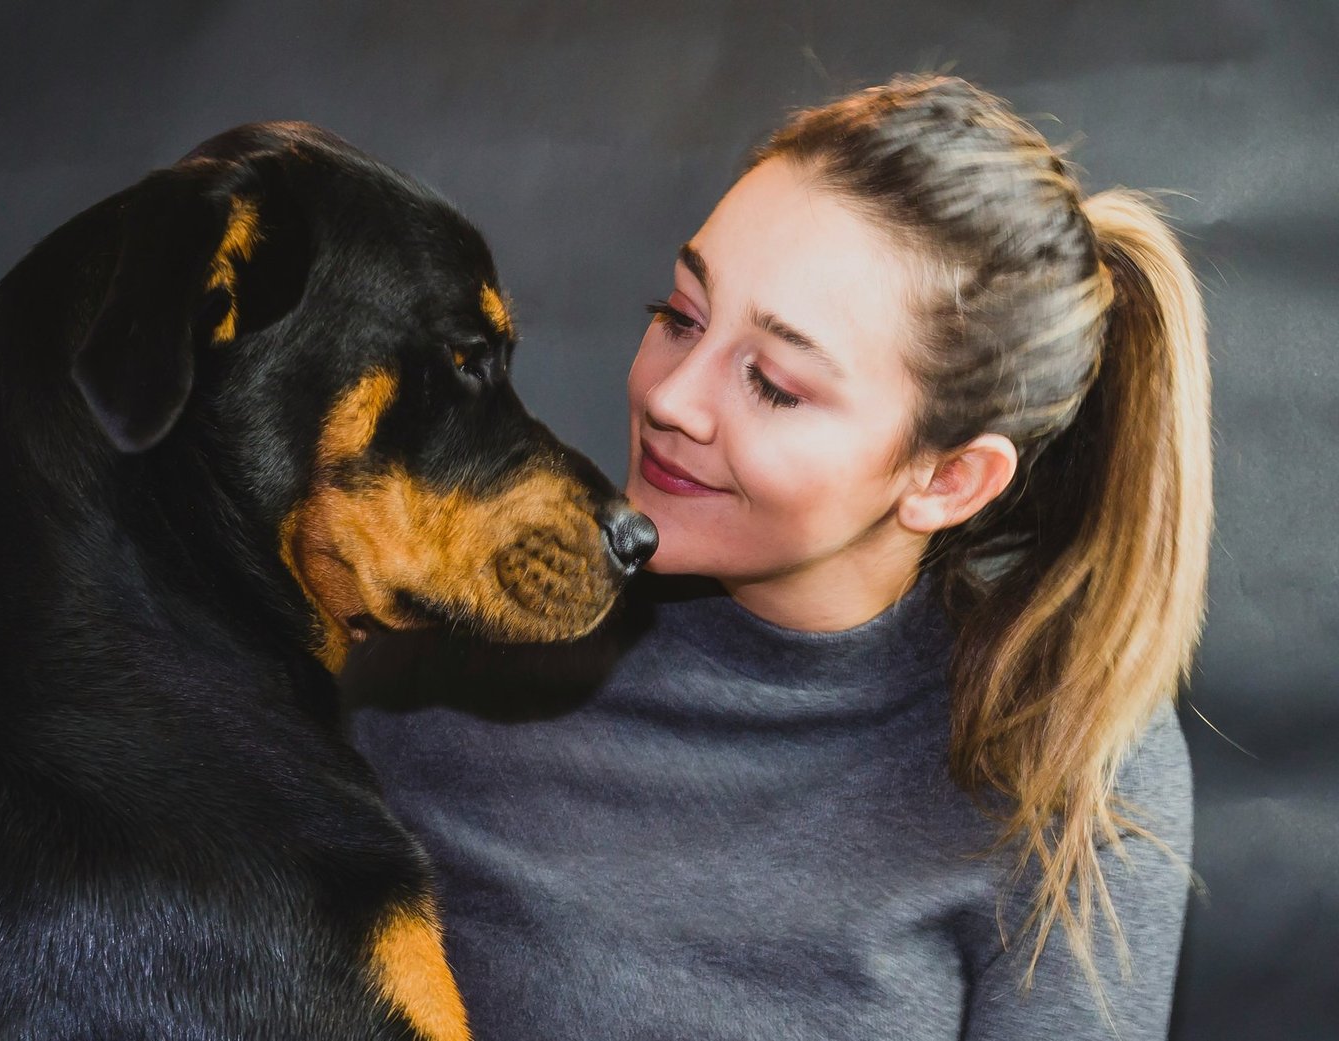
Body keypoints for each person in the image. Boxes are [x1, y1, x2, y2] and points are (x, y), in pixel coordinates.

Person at [344, 74, 1211, 1041]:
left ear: (949, 480)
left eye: (775, 383)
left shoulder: (1072, 754)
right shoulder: (442, 631)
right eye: (679, 315)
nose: (674, 398)